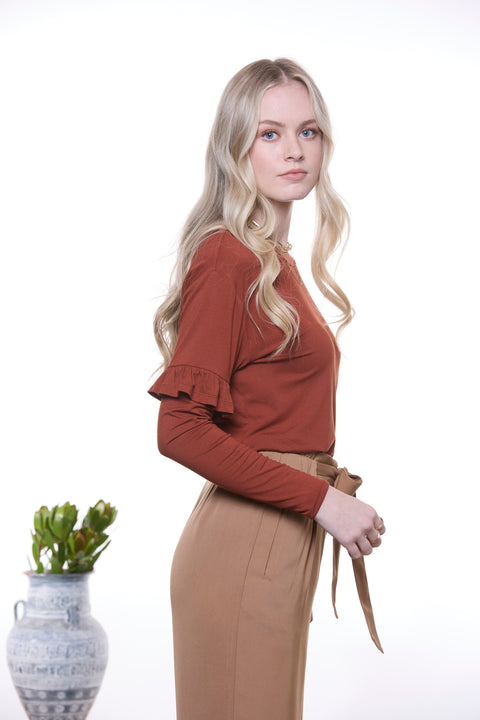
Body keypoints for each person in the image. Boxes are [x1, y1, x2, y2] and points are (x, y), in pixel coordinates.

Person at [149, 57, 385, 720]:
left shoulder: (273, 264)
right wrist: (323, 502)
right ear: (236, 148)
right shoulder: (226, 258)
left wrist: (320, 504)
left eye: (308, 132)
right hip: (249, 537)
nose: (295, 151)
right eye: (270, 134)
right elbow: (179, 430)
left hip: (279, 536)